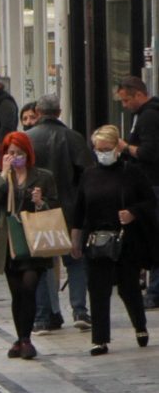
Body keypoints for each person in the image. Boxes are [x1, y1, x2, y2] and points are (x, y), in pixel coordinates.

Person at [71, 125, 155, 355]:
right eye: (98, 149)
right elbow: (79, 210)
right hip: (96, 240)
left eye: (106, 149)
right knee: (98, 289)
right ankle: (99, 339)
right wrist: (75, 240)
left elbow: (150, 201)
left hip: (126, 240)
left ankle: (139, 325)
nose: (102, 153)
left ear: (117, 147)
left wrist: (133, 212)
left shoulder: (132, 173)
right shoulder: (89, 175)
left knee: (129, 287)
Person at [0, 132, 59, 359]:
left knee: (29, 287)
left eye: (19, 153)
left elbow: (55, 206)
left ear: (28, 153)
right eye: (11, 153)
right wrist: (3, 175)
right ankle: (20, 338)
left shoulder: (43, 177)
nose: (15, 157)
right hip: (9, 240)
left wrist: (40, 202)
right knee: (17, 292)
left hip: (34, 239)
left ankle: (25, 339)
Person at [26, 94, 94, 333]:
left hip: (39, 208)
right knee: (75, 259)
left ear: (38, 111)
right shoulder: (73, 138)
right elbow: (87, 173)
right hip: (70, 208)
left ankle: (44, 316)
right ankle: (80, 309)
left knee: (43, 261)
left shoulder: (28, 138)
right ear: (59, 112)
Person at [114, 76, 159, 309]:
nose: (125, 105)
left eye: (126, 100)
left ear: (139, 95)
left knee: (154, 235)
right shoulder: (142, 115)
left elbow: (149, 152)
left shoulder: (149, 116)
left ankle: (155, 291)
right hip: (146, 183)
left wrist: (125, 147)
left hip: (153, 183)